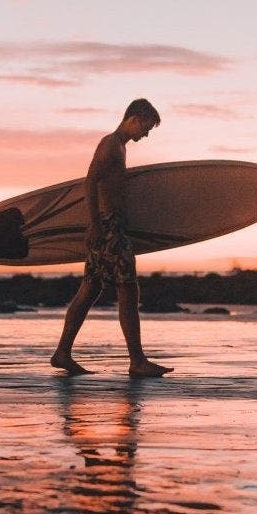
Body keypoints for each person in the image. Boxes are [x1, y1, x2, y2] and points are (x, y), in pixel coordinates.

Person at [50, 99, 173, 378]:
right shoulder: (110, 145)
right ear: (136, 118)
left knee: (90, 289)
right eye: (148, 128)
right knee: (128, 290)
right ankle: (137, 361)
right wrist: (95, 225)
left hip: (109, 226)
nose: (146, 135)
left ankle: (62, 352)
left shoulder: (119, 146)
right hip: (109, 228)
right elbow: (90, 181)